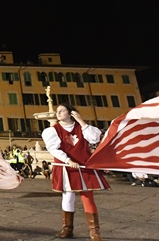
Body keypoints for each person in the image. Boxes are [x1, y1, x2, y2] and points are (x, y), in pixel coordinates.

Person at [41, 103, 110, 241]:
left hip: (84, 166)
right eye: (57, 111)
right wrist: (68, 161)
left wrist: (81, 121)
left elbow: (95, 139)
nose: (58, 113)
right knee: (68, 197)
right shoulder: (53, 130)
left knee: (88, 197)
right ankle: (67, 229)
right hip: (66, 167)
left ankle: (95, 233)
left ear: (70, 113)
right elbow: (53, 149)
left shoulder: (82, 127)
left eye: (62, 110)